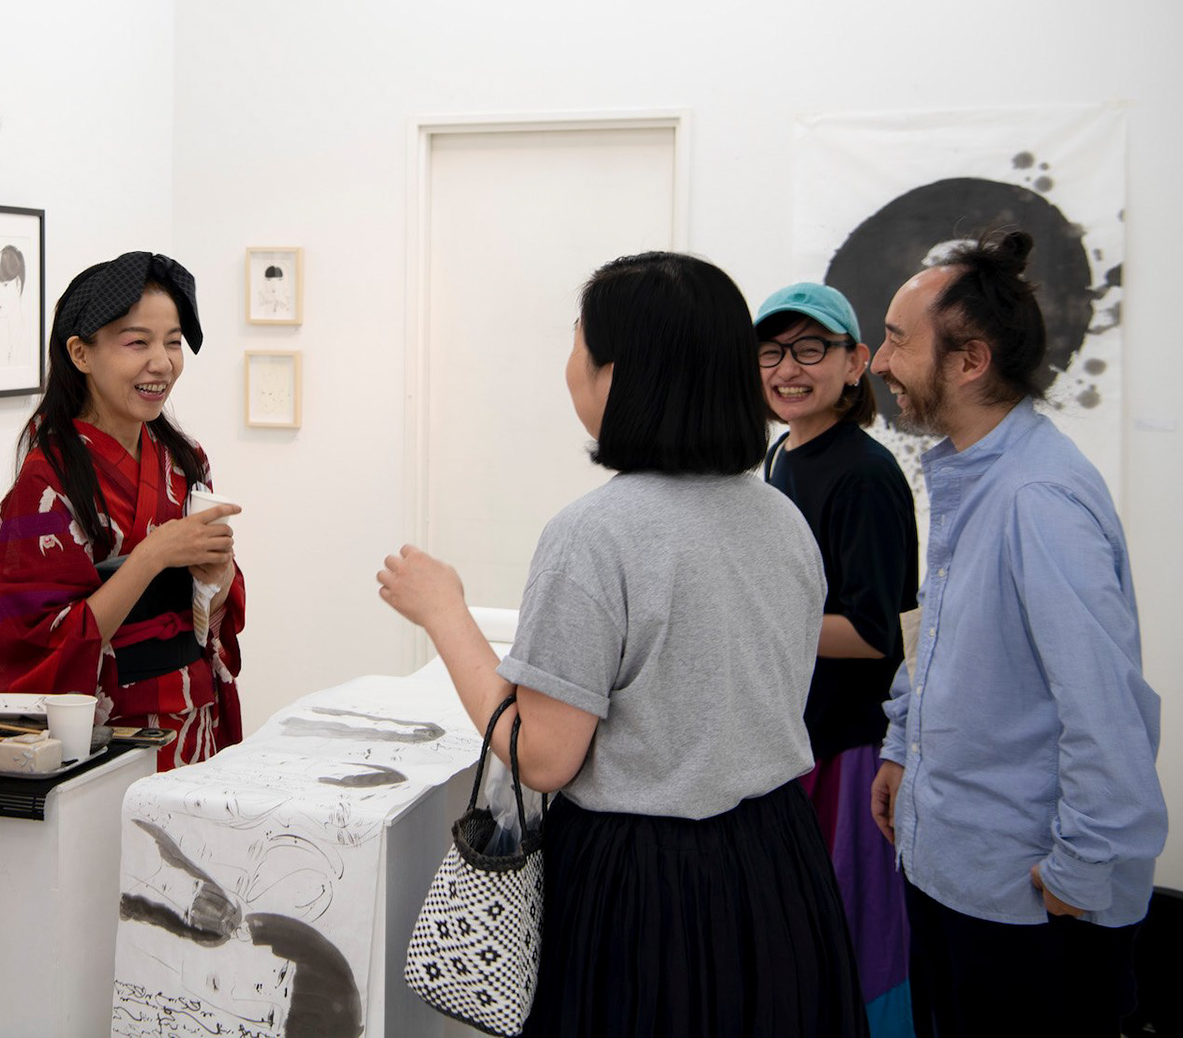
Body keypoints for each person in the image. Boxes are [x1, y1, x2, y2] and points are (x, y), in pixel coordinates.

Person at [377, 251, 867, 1037]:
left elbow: (541, 757)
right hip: (779, 865)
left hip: (647, 890)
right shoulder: (780, 517)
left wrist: (445, 613)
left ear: (617, 375)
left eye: (578, 343)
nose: (569, 365)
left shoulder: (594, 534)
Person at [867, 230, 1166, 1038]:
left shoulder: (1038, 498)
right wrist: (902, 748)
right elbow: (943, 638)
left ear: (970, 361)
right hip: (950, 869)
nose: (879, 363)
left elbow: (1107, 710)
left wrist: (1081, 870)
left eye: (896, 340)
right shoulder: (974, 473)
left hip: (1025, 903)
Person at [0, 251, 245, 770]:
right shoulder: (46, 483)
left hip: (191, 721)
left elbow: (210, 621)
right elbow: (34, 644)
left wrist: (218, 576)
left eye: (173, 342)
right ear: (80, 353)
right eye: (137, 342)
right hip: (105, 736)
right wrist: (152, 557)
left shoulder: (185, 460)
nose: (162, 363)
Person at [755, 281, 918, 1038]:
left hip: (851, 750)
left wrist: (751, 620)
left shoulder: (865, 474)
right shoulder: (779, 455)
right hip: (795, 739)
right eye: (771, 352)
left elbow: (875, 630)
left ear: (855, 363)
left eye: (811, 349)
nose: (789, 368)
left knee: (856, 945)